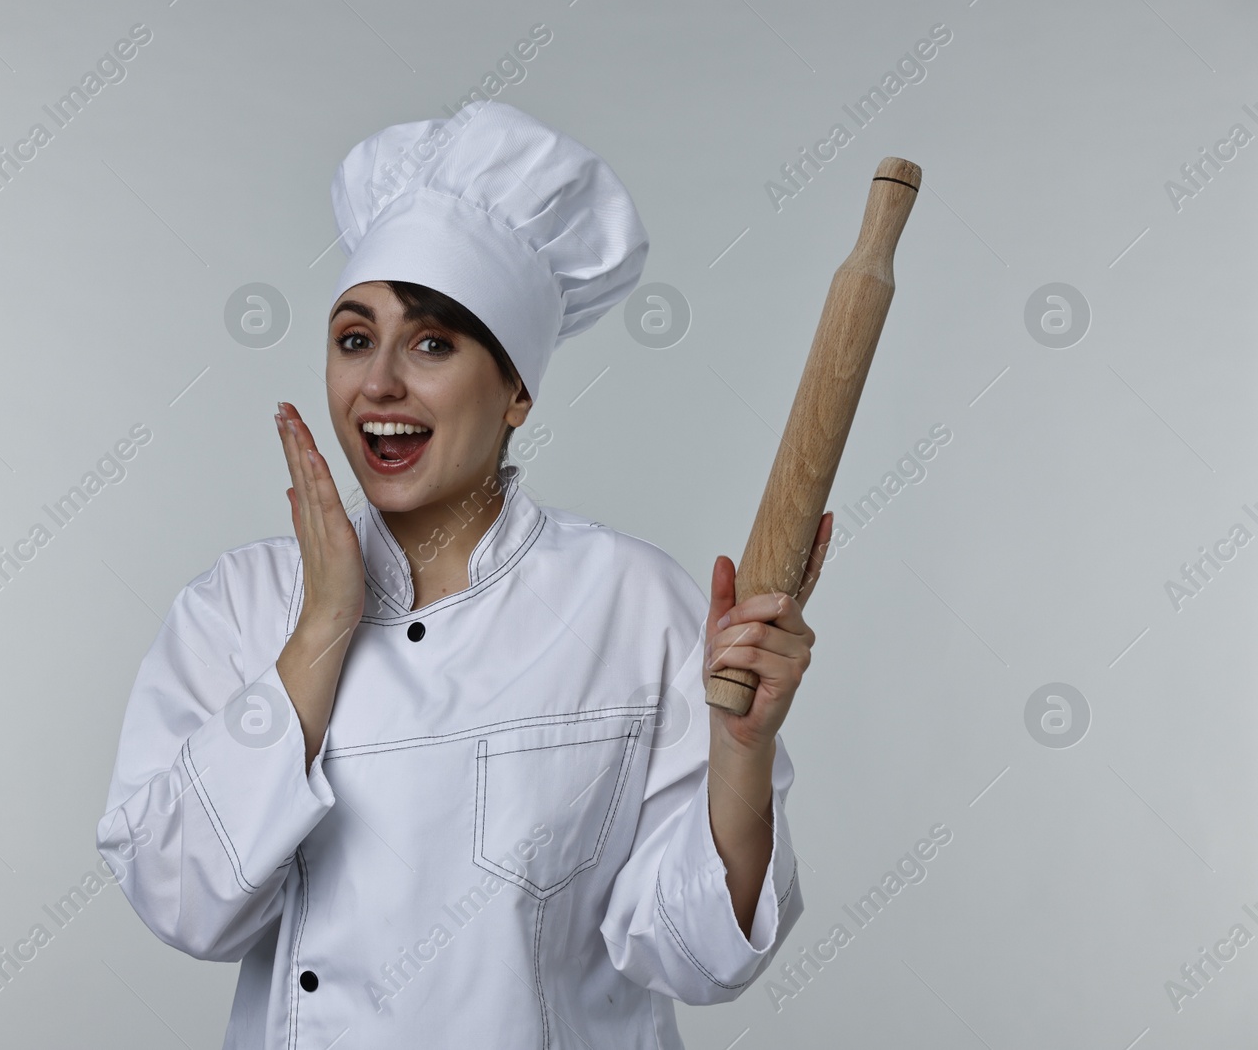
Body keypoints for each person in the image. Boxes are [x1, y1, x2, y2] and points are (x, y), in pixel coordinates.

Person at [96, 100, 832, 1047]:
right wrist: (321, 629)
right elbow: (184, 901)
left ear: (518, 388)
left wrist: (742, 748)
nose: (380, 384)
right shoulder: (237, 607)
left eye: (433, 342)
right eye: (355, 338)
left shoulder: (627, 604)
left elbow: (692, 956)